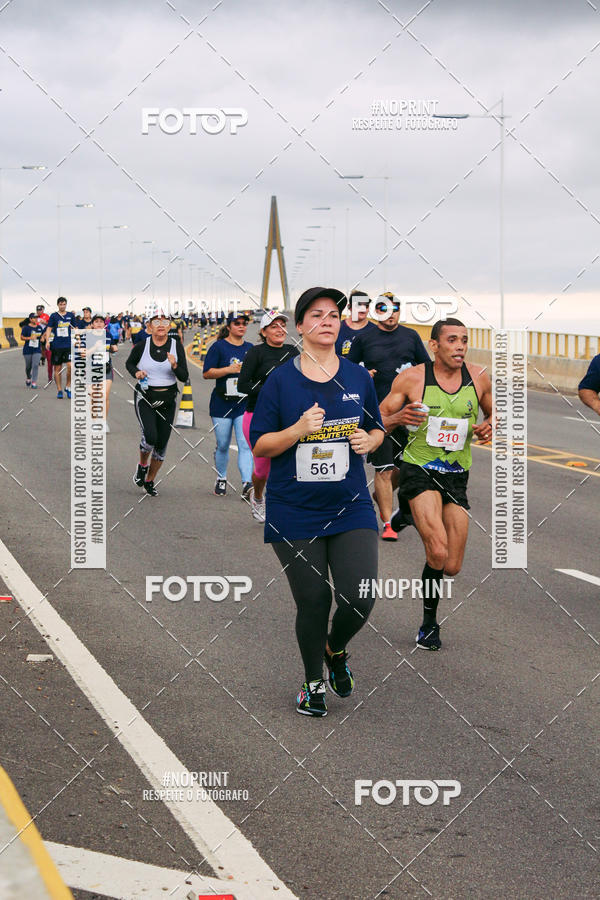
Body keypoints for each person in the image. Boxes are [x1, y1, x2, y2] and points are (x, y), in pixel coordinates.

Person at [250, 287, 385, 717]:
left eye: (334, 315)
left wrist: (370, 438)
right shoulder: (281, 380)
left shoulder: (359, 377)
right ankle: (312, 685)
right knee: (314, 601)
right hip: (294, 508)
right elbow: (262, 445)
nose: (327, 320)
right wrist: (298, 430)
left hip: (351, 505)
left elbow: (377, 428)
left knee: (360, 596)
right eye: (317, 314)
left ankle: (336, 648)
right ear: (301, 325)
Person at [379, 318, 493, 651]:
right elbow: (378, 419)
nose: (460, 346)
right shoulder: (412, 378)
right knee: (438, 552)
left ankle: (405, 515)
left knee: (452, 567)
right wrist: (399, 418)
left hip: (457, 474)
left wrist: (490, 426)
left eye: (464, 340)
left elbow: (491, 412)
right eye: (452, 340)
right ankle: (429, 624)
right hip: (419, 469)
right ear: (435, 345)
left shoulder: (478, 377)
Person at [348, 293, 430, 541]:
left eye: (395, 308)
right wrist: (363, 374)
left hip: (409, 414)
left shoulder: (411, 336)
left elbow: (427, 368)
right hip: (377, 414)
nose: (391, 312)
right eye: (384, 308)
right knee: (383, 470)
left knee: (407, 468)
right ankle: (387, 523)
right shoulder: (364, 338)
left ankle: (381, 496)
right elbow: (347, 371)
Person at [237, 310, 300, 520]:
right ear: (264, 332)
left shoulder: (293, 352)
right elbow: (243, 385)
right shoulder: (256, 353)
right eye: (274, 326)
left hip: (288, 417)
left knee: (288, 464)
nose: (280, 330)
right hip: (258, 416)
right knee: (263, 469)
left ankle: (284, 507)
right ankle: (257, 496)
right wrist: (271, 390)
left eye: (282, 325)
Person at [126, 313, 189, 496]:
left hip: (168, 399)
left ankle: (150, 480)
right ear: (149, 327)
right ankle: (142, 465)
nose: (161, 325)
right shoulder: (142, 345)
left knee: (161, 444)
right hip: (146, 396)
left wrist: (175, 365)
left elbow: (184, 377)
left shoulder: (176, 346)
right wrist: (136, 372)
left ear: (170, 327)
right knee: (151, 436)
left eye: (165, 322)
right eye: (156, 322)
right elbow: (129, 363)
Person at [202, 314, 253, 497]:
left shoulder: (250, 348)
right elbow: (207, 373)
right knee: (223, 444)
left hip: (243, 403)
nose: (241, 326)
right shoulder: (218, 347)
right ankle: (221, 477)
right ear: (229, 327)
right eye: (237, 323)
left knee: (245, 444)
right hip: (222, 404)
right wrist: (229, 370)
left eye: (244, 323)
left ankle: (247, 483)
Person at [44, 296, 77, 398]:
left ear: (66, 304)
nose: (62, 306)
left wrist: (76, 339)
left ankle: (68, 386)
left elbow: (75, 328)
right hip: (57, 346)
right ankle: (59, 390)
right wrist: (47, 341)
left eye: (64, 304)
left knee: (70, 366)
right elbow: (49, 328)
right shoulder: (54, 316)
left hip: (68, 345)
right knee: (57, 368)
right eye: (60, 304)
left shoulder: (71, 315)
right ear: (58, 305)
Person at [335, 290, 376, 357]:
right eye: (359, 305)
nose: (363, 309)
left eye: (366, 306)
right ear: (349, 307)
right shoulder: (337, 328)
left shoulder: (375, 331)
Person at [20, 313, 44, 388]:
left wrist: (43, 338)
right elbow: (22, 337)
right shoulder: (26, 328)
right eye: (34, 318)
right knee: (28, 366)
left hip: (37, 349)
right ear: (30, 319)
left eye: (37, 318)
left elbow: (43, 335)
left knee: (35, 365)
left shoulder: (39, 327)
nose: (36, 319)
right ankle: (28, 377)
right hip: (27, 350)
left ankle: (34, 382)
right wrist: (29, 338)